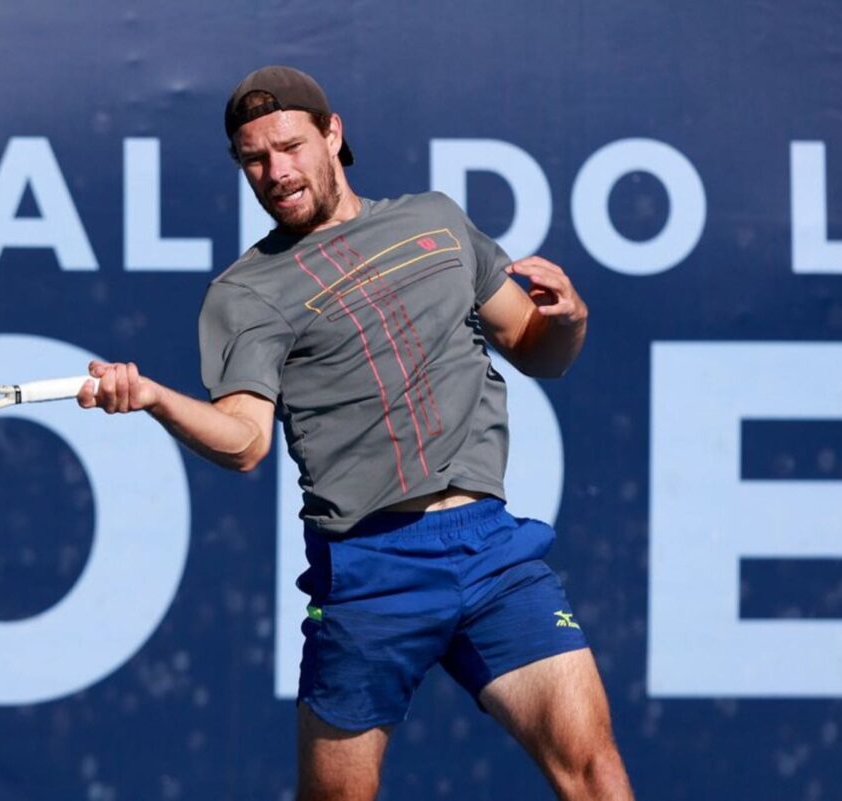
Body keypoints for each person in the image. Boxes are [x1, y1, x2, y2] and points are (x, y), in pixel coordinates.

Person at [77, 65, 633, 801]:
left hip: (492, 552)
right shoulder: (244, 295)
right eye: (253, 159)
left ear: (332, 134)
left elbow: (537, 349)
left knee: (594, 771)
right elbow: (244, 441)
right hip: (368, 571)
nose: (275, 172)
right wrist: (152, 397)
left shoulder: (436, 220)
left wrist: (572, 320)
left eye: (289, 146)